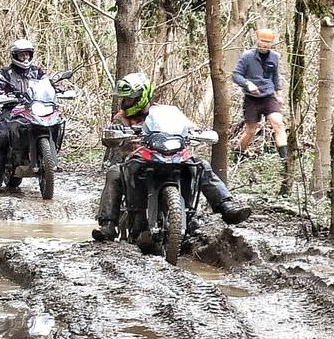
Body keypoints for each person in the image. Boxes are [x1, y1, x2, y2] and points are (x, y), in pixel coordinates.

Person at [92, 72, 251, 242]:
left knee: (201, 165)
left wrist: (195, 132)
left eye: (130, 99)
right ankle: (108, 225)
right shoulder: (121, 118)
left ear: (142, 96)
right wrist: (122, 136)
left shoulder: (164, 113)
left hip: (171, 155)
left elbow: (188, 125)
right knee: (115, 173)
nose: (126, 103)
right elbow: (115, 138)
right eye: (125, 99)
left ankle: (226, 205)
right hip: (138, 160)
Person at [0, 38, 45, 193]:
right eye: (22, 55)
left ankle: (46, 163)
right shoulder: (5, 73)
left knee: (51, 124)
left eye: (28, 54)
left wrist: (58, 91)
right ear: (15, 55)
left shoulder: (38, 72)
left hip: (34, 109)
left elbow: (49, 86)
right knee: (3, 138)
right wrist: (1, 92)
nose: (25, 58)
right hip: (12, 109)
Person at [231, 28, 288, 161]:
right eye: (262, 41)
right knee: (251, 130)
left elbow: (274, 76)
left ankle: (285, 160)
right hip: (252, 99)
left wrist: (279, 93)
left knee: (278, 124)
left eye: (267, 42)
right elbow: (236, 75)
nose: (264, 44)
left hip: (268, 97)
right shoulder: (247, 56)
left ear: (272, 43)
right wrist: (248, 84)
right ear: (257, 40)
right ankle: (238, 155)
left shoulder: (274, 57)